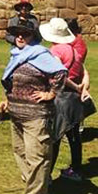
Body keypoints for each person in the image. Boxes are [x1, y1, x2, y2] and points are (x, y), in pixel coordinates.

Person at [0, 19, 67, 194]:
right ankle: (41, 188)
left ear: (33, 36)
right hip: (16, 113)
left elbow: (61, 73)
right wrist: (7, 99)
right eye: (18, 33)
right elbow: (13, 82)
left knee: (36, 155)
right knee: (20, 152)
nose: (20, 37)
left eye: (25, 33)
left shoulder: (40, 54)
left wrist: (51, 94)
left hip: (36, 115)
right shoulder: (17, 55)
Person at [40, 17, 90, 182]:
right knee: (74, 136)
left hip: (61, 96)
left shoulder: (56, 51)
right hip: (73, 98)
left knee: (55, 136)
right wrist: (82, 86)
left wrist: (75, 86)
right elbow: (83, 71)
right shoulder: (74, 50)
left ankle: (46, 174)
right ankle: (76, 168)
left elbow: (60, 74)